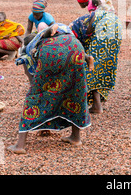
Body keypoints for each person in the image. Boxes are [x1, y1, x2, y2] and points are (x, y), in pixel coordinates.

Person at [8, 24, 92, 154]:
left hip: (52, 51)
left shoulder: (29, 50)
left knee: (34, 96)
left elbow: (33, 82)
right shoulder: (61, 32)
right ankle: (76, 138)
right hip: (76, 47)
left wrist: (41, 96)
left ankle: (20, 145)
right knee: (75, 92)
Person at [69, 5, 122, 114]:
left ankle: (86, 106)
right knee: (99, 70)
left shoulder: (72, 28)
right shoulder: (105, 15)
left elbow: (78, 42)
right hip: (116, 29)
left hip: (103, 33)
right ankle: (97, 105)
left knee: (90, 70)